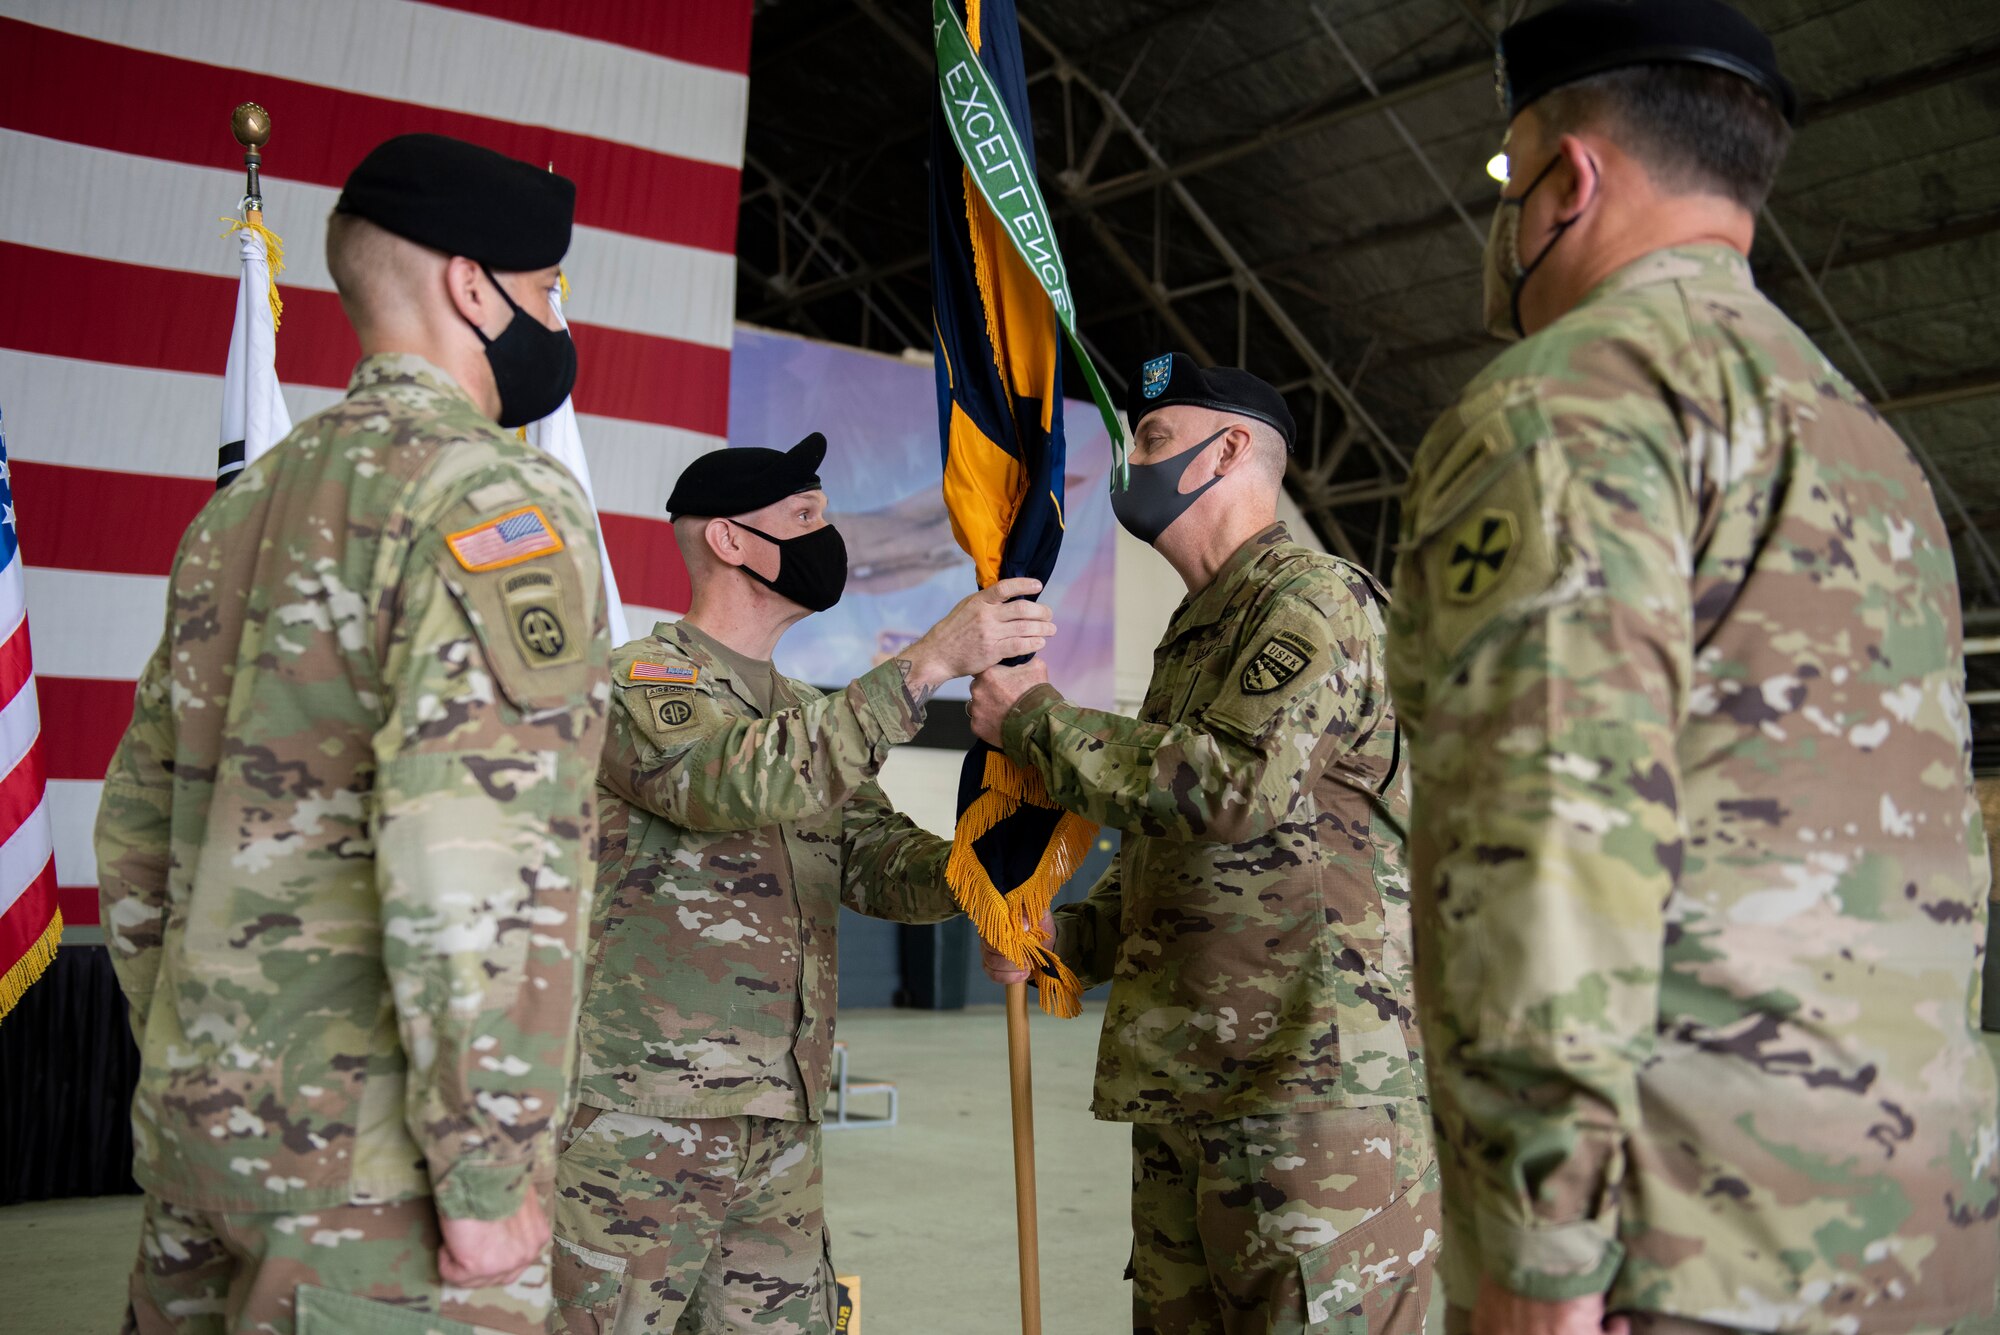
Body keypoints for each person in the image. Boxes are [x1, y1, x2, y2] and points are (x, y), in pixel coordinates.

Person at [1383, 3, 2000, 1333]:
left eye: (1509, 179)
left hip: (1684, 1258)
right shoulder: (1871, 448)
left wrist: (1539, 1258)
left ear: (1570, 178)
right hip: (1912, 1234)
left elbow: (1545, 848)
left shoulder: (1569, 409)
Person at [93, 133, 611, 1334]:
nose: (550, 321)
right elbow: (472, 857)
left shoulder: (240, 511)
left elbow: (133, 837)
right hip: (382, 1181)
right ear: (473, 287)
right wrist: (482, 1174)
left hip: (205, 1136)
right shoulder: (493, 497)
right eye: (542, 293)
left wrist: (204, 1056)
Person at [969, 355, 1435, 1333]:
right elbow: (1174, 854)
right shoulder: (1199, 628)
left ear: (1228, 450)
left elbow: (1231, 789)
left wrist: (1035, 724)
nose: (1129, 465)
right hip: (1196, 1087)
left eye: (1150, 439)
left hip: (1309, 1100)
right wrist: (1059, 940)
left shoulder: (1308, 599)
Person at [550, 433, 1053, 1333]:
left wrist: (988, 875)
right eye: (806, 517)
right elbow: (727, 782)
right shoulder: (637, 683)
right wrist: (926, 662)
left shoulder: (802, 716)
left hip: (782, 1119)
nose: (829, 534)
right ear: (731, 540)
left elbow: (877, 859)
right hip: (644, 1118)